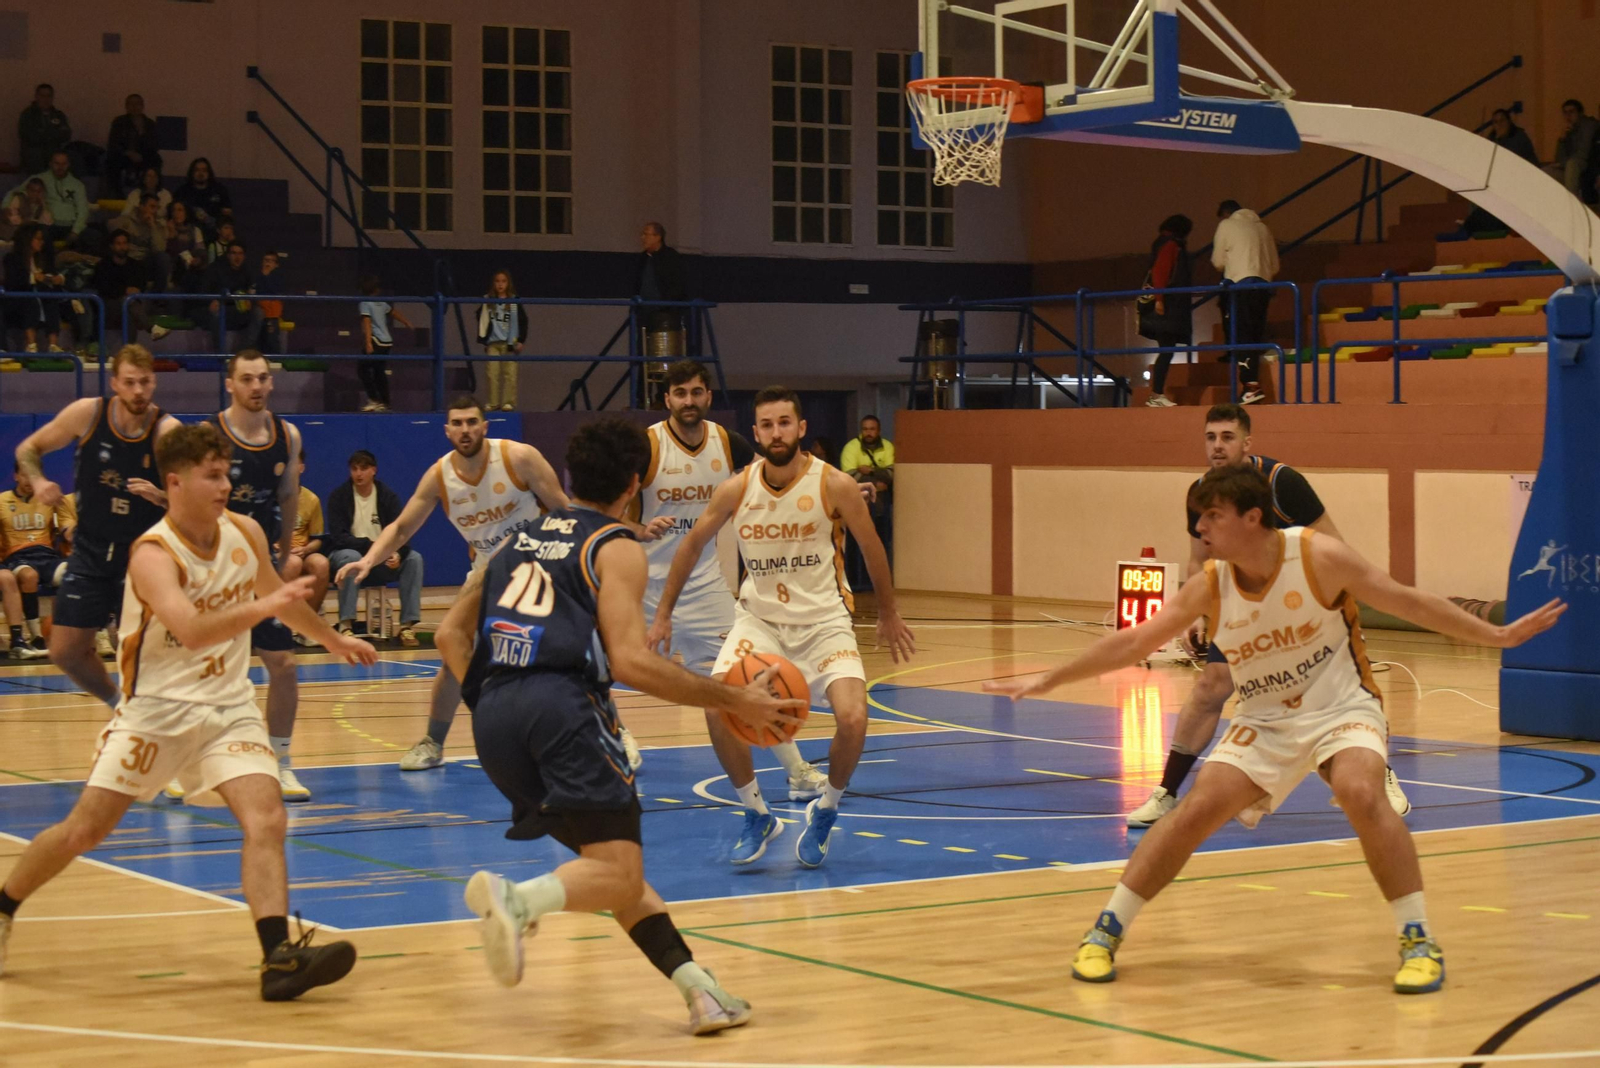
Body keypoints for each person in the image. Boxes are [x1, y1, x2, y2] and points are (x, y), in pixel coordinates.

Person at [987, 464, 1566, 993]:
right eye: (1198, 517)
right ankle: (1105, 931)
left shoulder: (1317, 556)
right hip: (1266, 720)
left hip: (1343, 707)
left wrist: (1495, 636)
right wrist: (1050, 679)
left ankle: (1418, 938)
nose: (1201, 527)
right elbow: (1136, 640)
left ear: (1252, 516)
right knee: (1193, 812)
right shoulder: (1212, 584)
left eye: (1212, 515)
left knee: (1362, 792)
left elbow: (1407, 601)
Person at [436, 418, 806, 1033]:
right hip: (562, 709)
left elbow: (450, 634)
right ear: (636, 483)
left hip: (494, 716)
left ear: (571, 473)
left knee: (609, 874)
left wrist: (502, 703)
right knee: (615, 871)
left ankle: (701, 992)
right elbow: (632, 661)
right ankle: (517, 901)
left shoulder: (515, 539)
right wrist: (735, 699)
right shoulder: (616, 546)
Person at [0, 422, 378, 999]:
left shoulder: (245, 532)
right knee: (85, 831)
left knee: (267, 818)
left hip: (227, 705)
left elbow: (281, 597)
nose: (225, 485)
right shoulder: (152, 553)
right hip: (156, 711)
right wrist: (266, 607)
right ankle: (4, 906)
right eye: (212, 475)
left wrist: (333, 640)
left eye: (226, 474)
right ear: (174, 483)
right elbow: (194, 630)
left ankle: (277, 957)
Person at [650, 386, 916, 868]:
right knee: (716, 707)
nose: (776, 432)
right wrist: (665, 611)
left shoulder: (831, 483)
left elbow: (871, 546)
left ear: (801, 428)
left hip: (824, 622)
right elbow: (690, 546)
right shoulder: (737, 487)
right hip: (761, 622)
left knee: (854, 720)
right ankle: (757, 814)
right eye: (767, 425)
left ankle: (826, 809)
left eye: (784, 423)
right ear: (756, 433)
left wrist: (890, 611)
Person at [1126, 403, 1412, 827]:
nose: (1218, 446)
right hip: (1244, 605)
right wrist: (1196, 615)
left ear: (1247, 442)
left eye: (1227, 437)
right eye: (1211, 437)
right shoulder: (1201, 492)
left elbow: (1333, 544)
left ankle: (1376, 771)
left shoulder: (1283, 482)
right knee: (1210, 687)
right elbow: (1197, 560)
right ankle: (1167, 792)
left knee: (1331, 699)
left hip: (1303, 607)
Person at [627, 360, 828, 815]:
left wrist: (844, 488)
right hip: (641, 584)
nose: (689, 401)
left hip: (704, 587)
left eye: (697, 392)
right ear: (667, 400)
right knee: (592, 667)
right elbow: (609, 507)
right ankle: (612, 739)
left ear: (708, 397)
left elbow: (786, 470)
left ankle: (796, 771)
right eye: (680, 393)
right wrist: (638, 527)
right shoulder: (648, 446)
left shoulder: (727, 442)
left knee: (745, 678)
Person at [332, 396, 570, 771]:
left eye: (472, 422)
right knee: (452, 652)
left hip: (538, 566)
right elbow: (402, 527)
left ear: (485, 426)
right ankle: (433, 742)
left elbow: (563, 509)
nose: (465, 430)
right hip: (487, 571)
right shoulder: (440, 475)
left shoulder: (518, 457)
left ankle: (613, 732)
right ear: (446, 430)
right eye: (457, 423)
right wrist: (367, 560)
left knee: (566, 657)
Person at [16, 344, 180, 691]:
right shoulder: (87, 414)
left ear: (154, 383)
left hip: (141, 554)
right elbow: (28, 449)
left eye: (146, 382)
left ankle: (151, 719)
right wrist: (40, 479)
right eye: (130, 382)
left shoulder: (167, 431)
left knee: (139, 652)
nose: (139, 391)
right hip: (90, 550)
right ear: (115, 383)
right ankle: (118, 706)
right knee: (64, 651)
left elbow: (196, 499)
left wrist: (163, 496)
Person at [206, 351, 313, 802]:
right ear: (229, 384)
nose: (256, 386)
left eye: (263, 378)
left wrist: (286, 551)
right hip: (214, 565)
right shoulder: (209, 435)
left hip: (261, 566)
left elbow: (288, 496)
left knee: (283, 665)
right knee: (203, 670)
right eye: (246, 378)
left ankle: (279, 761)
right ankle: (189, 758)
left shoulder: (286, 435)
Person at [324, 450, 424, 644]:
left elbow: (402, 531)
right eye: (354, 469)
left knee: (414, 559)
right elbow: (339, 537)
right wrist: (373, 547)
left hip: (381, 560)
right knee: (351, 557)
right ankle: (346, 624)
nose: (358, 473)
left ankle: (407, 627)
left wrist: (398, 554)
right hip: (348, 557)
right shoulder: (339, 497)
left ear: (374, 471)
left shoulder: (388, 497)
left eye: (363, 468)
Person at [0, 460, 75, 660]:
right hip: (18, 556)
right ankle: (36, 636)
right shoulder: (3, 501)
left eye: (33, 476)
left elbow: (66, 527)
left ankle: (71, 636)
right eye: (24, 475)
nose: (28, 481)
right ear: (16, 476)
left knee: (74, 573)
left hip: (46, 555)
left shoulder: (49, 501)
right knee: (29, 575)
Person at [1211, 200, 1279, 405]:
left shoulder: (1227, 226)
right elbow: (1274, 265)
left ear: (1226, 213)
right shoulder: (1263, 228)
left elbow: (1217, 261)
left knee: (1241, 335)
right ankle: (1253, 383)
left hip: (1240, 286)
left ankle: (1250, 385)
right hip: (1264, 287)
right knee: (1255, 335)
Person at [1140, 214, 1193, 407]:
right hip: (1170, 305)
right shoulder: (1171, 245)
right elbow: (1161, 271)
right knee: (1167, 350)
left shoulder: (1162, 243)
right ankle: (1156, 394)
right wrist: (1160, 299)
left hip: (1167, 304)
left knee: (1166, 349)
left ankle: (1157, 393)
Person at [839, 415, 895, 589]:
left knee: (881, 544)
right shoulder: (851, 448)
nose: (868, 433)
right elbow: (849, 477)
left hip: (881, 508)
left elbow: (892, 474)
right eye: (865, 429)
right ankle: (855, 582)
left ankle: (878, 584)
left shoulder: (888, 447)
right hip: (858, 507)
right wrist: (876, 482)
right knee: (856, 547)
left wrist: (869, 471)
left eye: (872, 429)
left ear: (878, 430)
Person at [282, 448, 331, 642]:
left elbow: (318, 538)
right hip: (279, 551)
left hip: (303, 549)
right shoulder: (271, 496)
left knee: (321, 564)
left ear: (301, 468)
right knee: (291, 564)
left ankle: (307, 625)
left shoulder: (312, 499)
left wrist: (306, 549)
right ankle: (282, 625)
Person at [6, 152, 91, 252]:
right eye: (57, 163)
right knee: (42, 235)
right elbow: (14, 193)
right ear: (50, 163)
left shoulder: (77, 185)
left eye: (64, 164)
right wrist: (5, 209)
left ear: (68, 164)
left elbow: (83, 210)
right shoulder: (39, 179)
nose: (60, 167)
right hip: (47, 225)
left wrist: (75, 231)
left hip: (71, 226)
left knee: (93, 236)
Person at [2, 224, 65, 353]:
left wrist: (56, 279)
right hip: (17, 302)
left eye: (42, 239)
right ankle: (31, 345)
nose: (41, 242)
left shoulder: (43, 260)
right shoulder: (12, 258)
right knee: (30, 300)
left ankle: (53, 345)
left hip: (40, 298)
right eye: (38, 238)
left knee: (50, 300)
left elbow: (51, 276)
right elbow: (13, 282)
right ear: (27, 239)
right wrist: (33, 277)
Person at [357, 275, 412, 413]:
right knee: (378, 371)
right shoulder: (381, 303)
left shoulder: (365, 304)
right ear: (376, 290)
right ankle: (385, 402)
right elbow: (393, 312)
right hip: (387, 341)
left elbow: (367, 322)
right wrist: (406, 322)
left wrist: (368, 342)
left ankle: (374, 400)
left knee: (362, 369)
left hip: (377, 341)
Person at [478, 269, 529, 412]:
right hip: (493, 342)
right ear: (493, 284)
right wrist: (484, 340)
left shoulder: (513, 300)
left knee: (510, 373)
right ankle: (493, 402)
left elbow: (523, 321)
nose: (500, 284)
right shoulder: (488, 300)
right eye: (497, 281)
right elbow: (482, 320)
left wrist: (520, 340)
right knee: (492, 373)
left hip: (509, 343)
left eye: (503, 281)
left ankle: (508, 402)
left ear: (508, 283)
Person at [198, 240, 256, 347]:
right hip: (220, 308)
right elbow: (204, 291)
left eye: (240, 253)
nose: (237, 257)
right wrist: (211, 301)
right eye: (233, 253)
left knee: (259, 313)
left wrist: (250, 299)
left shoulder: (248, 270)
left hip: (238, 310)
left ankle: (244, 353)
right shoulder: (215, 269)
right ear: (228, 255)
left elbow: (252, 289)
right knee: (217, 315)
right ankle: (221, 357)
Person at [116, 193, 174, 296]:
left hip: (145, 262)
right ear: (141, 206)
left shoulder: (159, 226)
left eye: (157, 207)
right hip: (128, 260)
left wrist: (152, 226)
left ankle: (156, 297)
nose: (155, 211)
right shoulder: (126, 221)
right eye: (152, 207)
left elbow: (159, 249)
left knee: (163, 258)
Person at [103, 93, 162, 193]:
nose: (134, 107)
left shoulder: (150, 124)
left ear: (142, 106)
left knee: (157, 160)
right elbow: (113, 143)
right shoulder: (119, 122)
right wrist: (128, 153)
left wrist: (142, 155)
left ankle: (152, 191)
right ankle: (116, 194)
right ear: (126, 107)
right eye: (131, 104)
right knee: (112, 161)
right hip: (124, 155)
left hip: (144, 156)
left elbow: (154, 144)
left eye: (137, 104)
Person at [17, 84, 70, 176]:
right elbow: (30, 136)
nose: (46, 99)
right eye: (42, 96)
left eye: (49, 96)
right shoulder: (28, 115)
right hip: (34, 157)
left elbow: (66, 135)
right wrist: (52, 133)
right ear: (37, 96)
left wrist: (44, 133)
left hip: (54, 155)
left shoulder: (58, 115)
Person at [174, 157, 232, 238]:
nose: (200, 173)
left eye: (204, 170)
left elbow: (227, 216)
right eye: (197, 170)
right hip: (188, 236)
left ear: (209, 173)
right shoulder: (182, 192)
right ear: (192, 172)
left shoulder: (219, 190)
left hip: (215, 236)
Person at [1551, 99, 1598, 198]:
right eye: (1565, 112)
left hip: (1588, 164)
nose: (1568, 116)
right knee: (1546, 171)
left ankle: (1573, 203)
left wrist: (1562, 163)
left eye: (1571, 112)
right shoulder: (1569, 129)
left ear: (1580, 113)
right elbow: (1558, 159)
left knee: (1572, 165)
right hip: (1569, 165)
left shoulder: (1588, 125)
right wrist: (1562, 139)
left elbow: (1583, 154)